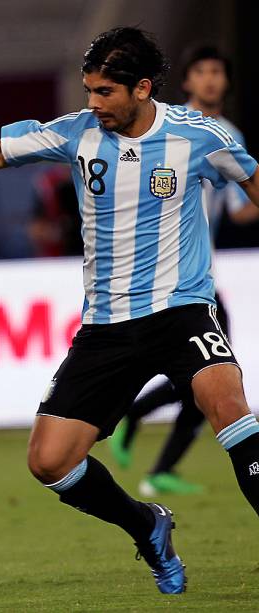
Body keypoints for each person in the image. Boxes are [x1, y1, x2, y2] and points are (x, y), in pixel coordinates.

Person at [0, 27, 259, 595]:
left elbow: (253, 181)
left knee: (228, 406)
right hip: (106, 327)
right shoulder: (77, 133)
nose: (92, 103)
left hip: (180, 309)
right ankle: (145, 524)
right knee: (49, 462)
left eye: (104, 92)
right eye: (88, 90)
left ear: (141, 89)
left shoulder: (199, 136)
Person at [110, 44, 259, 496]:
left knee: (207, 376)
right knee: (214, 373)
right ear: (188, 81)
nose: (211, 79)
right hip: (174, 279)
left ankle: (151, 450)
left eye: (219, 71)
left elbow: (239, 208)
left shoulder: (224, 133)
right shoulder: (166, 125)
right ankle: (143, 435)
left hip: (197, 275)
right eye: (202, 71)